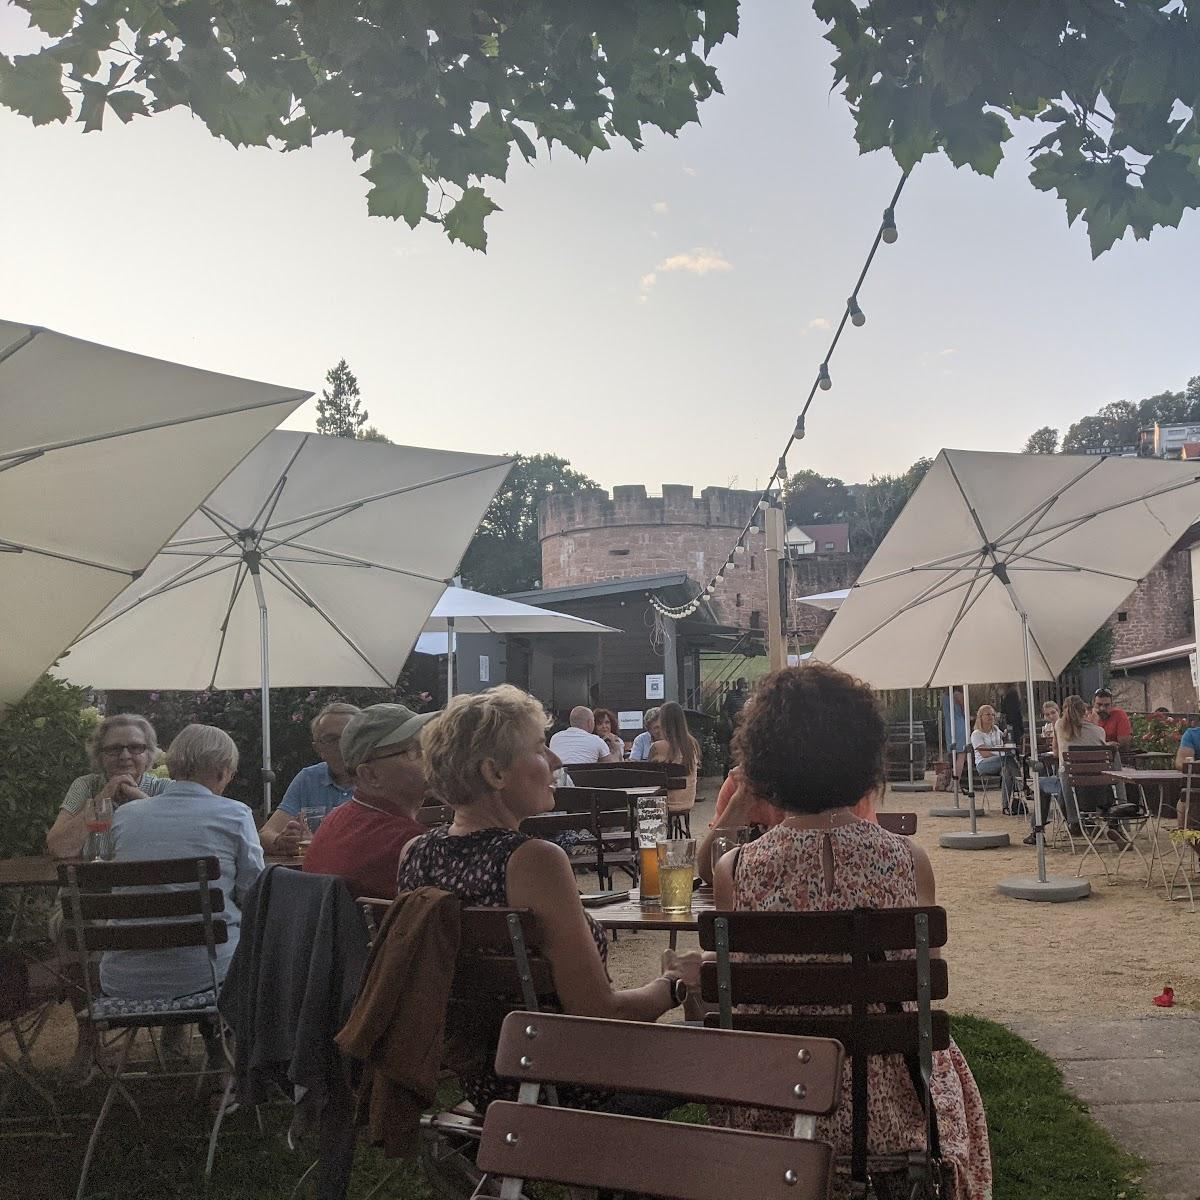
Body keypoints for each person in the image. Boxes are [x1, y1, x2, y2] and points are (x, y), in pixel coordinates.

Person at [712, 664, 991, 1200]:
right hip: (891, 1104)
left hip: (779, 1099)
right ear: (864, 756)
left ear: (764, 761)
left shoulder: (737, 871)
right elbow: (915, 989)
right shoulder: (910, 861)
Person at [396, 685, 699, 1106]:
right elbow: (599, 1017)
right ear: (494, 773)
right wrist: (675, 984)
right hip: (562, 1084)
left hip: (484, 1081)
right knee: (721, 1039)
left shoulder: (415, 855)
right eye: (541, 749)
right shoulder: (532, 861)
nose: (556, 762)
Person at [101, 724, 264, 1003]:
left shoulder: (126, 816)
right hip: (212, 974)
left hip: (124, 979)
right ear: (222, 771)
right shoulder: (235, 814)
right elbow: (257, 896)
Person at [303, 704, 437, 898]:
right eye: (413, 750)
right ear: (370, 775)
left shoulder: (335, 821)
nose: (430, 757)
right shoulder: (411, 844)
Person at [47, 714, 169, 860]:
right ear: (100, 755)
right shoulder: (86, 786)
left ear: (148, 754)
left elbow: (179, 841)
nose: (124, 756)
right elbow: (58, 848)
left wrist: (139, 796)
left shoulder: (165, 789)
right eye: (114, 749)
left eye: (135, 747)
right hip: (95, 880)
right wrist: (102, 798)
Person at [259, 702, 359, 854]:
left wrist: (317, 843)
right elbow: (265, 834)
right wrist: (282, 841)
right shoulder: (309, 779)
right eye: (332, 739)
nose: (342, 745)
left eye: (349, 736)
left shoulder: (381, 779)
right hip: (317, 874)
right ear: (318, 749)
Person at [1054, 694, 1118, 836]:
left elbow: (1056, 752)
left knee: (1059, 777)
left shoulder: (1059, 726)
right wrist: (1094, 722)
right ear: (1085, 711)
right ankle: (1108, 822)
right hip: (1098, 787)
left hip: (1073, 786)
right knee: (1066, 777)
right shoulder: (1099, 731)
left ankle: (1074, 823)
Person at [650, 701, 699, 829]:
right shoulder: (692, 744)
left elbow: (649, 775)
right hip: (687, 800)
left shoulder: (657, 747)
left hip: (664, 802)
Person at [970, 704, 1019, 816]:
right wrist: (1001, 753)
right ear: (980, 716)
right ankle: (1022, 785)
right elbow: (985, 754)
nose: (991, 717)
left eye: (993, 714)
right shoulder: (977, 734)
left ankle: (1005, 807)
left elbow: (1005, 742)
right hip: (984, 764)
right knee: (1008, 758)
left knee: (1007, 771)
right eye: (988, 714)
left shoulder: (996, 730)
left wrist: (1007, 735)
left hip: (1001, 763)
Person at [547, 705, 616, 765]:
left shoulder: (555, 738)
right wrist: (616, 749)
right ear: (590, 723)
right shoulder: (597, 741)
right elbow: (610, 768)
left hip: (560, 778)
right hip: (584, 779)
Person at [1090, 688, 1133, 756]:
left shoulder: (1119, 715)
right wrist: (1106, 745)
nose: (1102, 708)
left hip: (1116, 757)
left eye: (1107, 705)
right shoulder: (1087, 716)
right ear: (1093, 704)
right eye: (1099, 704)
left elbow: (1124, 744)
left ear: (1111, 705)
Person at [942, 688, 968, 787]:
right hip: (959, 725)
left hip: (949, 726)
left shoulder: (945, 696)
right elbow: (964, 710)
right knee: (961, 755)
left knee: (953, 754)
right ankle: (955, 783)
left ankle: (952, 782)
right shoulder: (958, 695)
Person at [999, 683, 1025, 749]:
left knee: (1013, 745)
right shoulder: (1011, 694)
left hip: (1012, 725)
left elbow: (1011, 712)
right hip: (1014, 724)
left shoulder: (1011, 695)